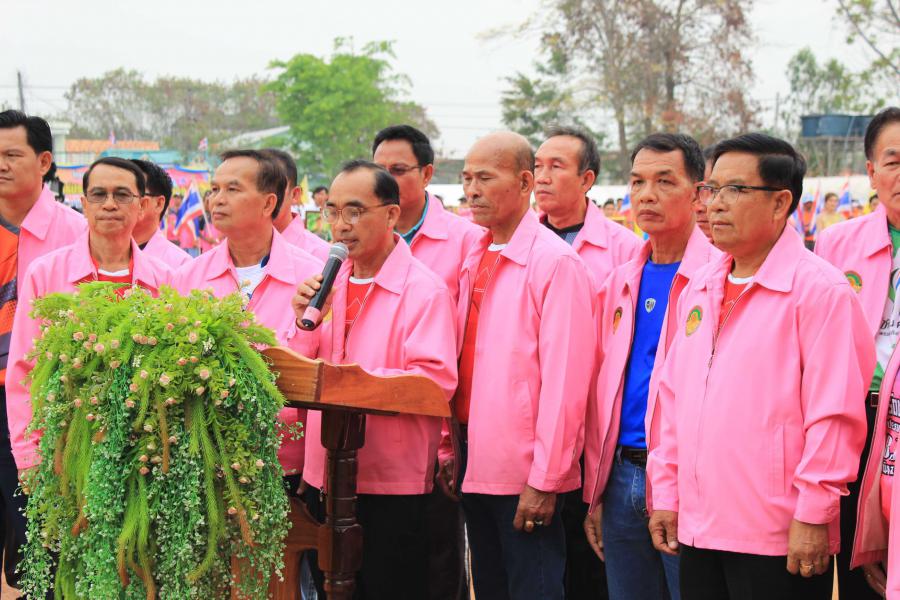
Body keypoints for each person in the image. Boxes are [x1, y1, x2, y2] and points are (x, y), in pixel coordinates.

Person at [647, 133, 873, 599]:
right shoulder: (700, 286)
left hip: (776, 533)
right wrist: (666, 493)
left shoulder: (820, 291)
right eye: (711, 189)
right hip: (698, 525)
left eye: (734, 190)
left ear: (780, 203)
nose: (714, 204)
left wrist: (813, 513)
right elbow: (672, 401)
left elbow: (834, 417)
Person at [437, 132, 595, 600]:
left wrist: (546, 479)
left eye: (486, 178)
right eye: (467, 178)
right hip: (473, 452)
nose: (472, 190)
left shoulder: (555, 262)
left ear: (525, 183)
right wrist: (449, 446)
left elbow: (566, 385)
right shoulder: (475, 255)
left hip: (524, 468)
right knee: (490, 586)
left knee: (533, 587)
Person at [294, 160, 458, 600]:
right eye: (332, 211)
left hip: (391, 483)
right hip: (326, 472)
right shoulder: (327, 285)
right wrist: (302, 321)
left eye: (354, 211)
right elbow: (300, 369)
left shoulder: (423, 290)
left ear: (390, 214)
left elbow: (434, 383)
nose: (341, 225)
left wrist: (350, 384)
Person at [583, 133, 719, 600]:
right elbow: (603, 390)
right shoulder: (620, 281)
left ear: (698, 194)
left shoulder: (718, 278)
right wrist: (596, 491)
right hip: (622, 473)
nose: (646, 194)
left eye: (664, 181)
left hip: (688, 478)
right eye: (638, 182)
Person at [7, 157, 172, 477]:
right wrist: (29, 457)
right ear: (84, 204)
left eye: (122, 195)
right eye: (98, 194)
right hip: (65, 455)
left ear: (142, 206)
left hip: (144, 458)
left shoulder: (166, 280)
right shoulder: (46, 274)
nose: (109, 204)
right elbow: (24, 370)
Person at [371, 124, 482, 600]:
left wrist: (450, 442)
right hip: (372, 438)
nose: (387, 179)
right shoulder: (360, 242)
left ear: (428, 173)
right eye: (379, 170)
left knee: (438, 563)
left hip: (440, 432)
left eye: (398, 170)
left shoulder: (467, 241)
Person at [172, 149, 323, 483]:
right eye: (215, 189)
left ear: (269, 203)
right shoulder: (188, 277)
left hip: (285, 460)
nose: (217, 200)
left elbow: (321, 369)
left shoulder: (313, 276)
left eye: (233, 189)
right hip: (206, 460)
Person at [533, 125, 640, 598]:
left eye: (556, 167)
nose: (542, 176)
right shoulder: (516, 243)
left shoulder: (624, 249)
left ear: (587, 179)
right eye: (537, 166)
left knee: (589, 560)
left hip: (595, 430)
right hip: (532, 427)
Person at [817, 106, 900, 599]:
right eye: (894, 161)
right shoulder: (835, 244)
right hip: (855, 425)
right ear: (871, 171)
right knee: (857, 569)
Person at [0, 110, 85, 588]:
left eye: (12, 154)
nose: (2, 165)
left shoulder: (77, 234)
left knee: (39, 539)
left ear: (45, 161)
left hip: (45, 407)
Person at [262, 148, 330, 262]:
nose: (263, 197)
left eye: (273, 187)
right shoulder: (236, 248)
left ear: (295, 194)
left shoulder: (322, 254)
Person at [129, 159, 191, 269]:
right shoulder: (100, 257)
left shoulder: (181, 266)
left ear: (159, 204)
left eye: (128, 194)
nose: (112, 203)